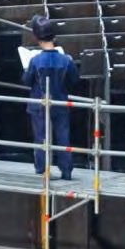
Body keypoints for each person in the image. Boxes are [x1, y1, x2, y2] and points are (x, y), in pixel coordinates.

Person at [23, 14, 78, 180]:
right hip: (60, 102)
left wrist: (26, 69)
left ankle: (42, 169)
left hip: (39, 104)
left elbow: (26, 81)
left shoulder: (35, 60)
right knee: (63, 136)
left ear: (37, 37)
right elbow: (74, 80)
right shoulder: (66, 60)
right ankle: (66, 170)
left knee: (41, 137)